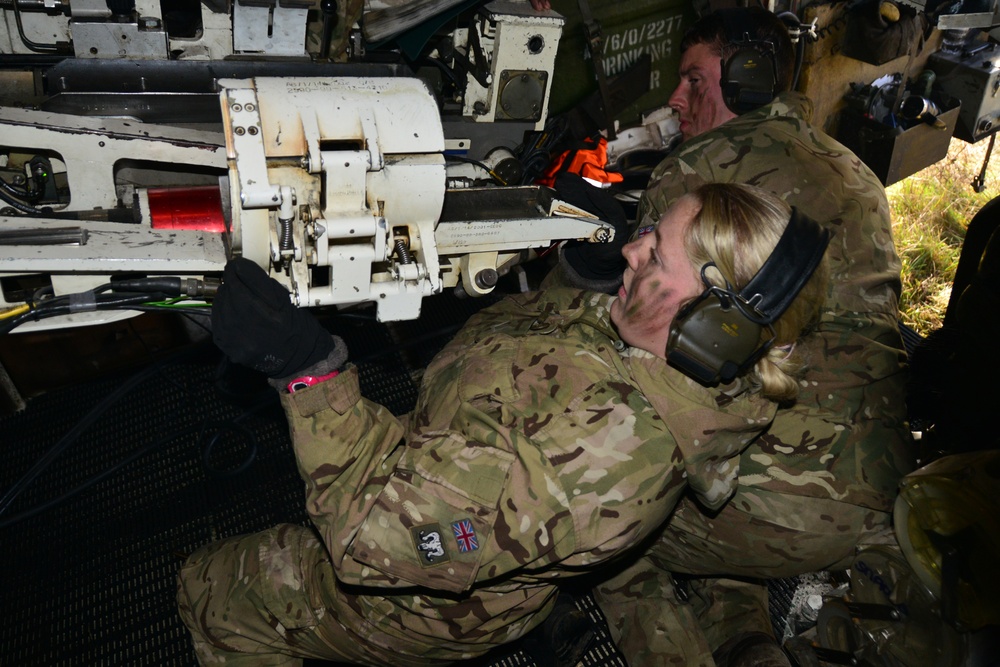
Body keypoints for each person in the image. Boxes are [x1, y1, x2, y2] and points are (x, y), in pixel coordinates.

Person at [176, 182, 830, 666]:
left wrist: (309, 372)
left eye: (654, 255)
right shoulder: (671, 354)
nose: (632, 249)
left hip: (414, 595)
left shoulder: (602, 461)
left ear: (712, 328)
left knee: (213, 588)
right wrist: (580, 277)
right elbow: (555, 356)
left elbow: (371, 532)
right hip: (453, 466)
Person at [552, 7, 914, 666]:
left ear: (749, 78)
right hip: (878, 492)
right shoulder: (857, 170)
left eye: (693, 80)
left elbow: (631, 330)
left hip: (774, 495)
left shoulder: (700, 168)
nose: (673, 98)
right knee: (723, 507)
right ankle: (749, 648)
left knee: (606, 519)